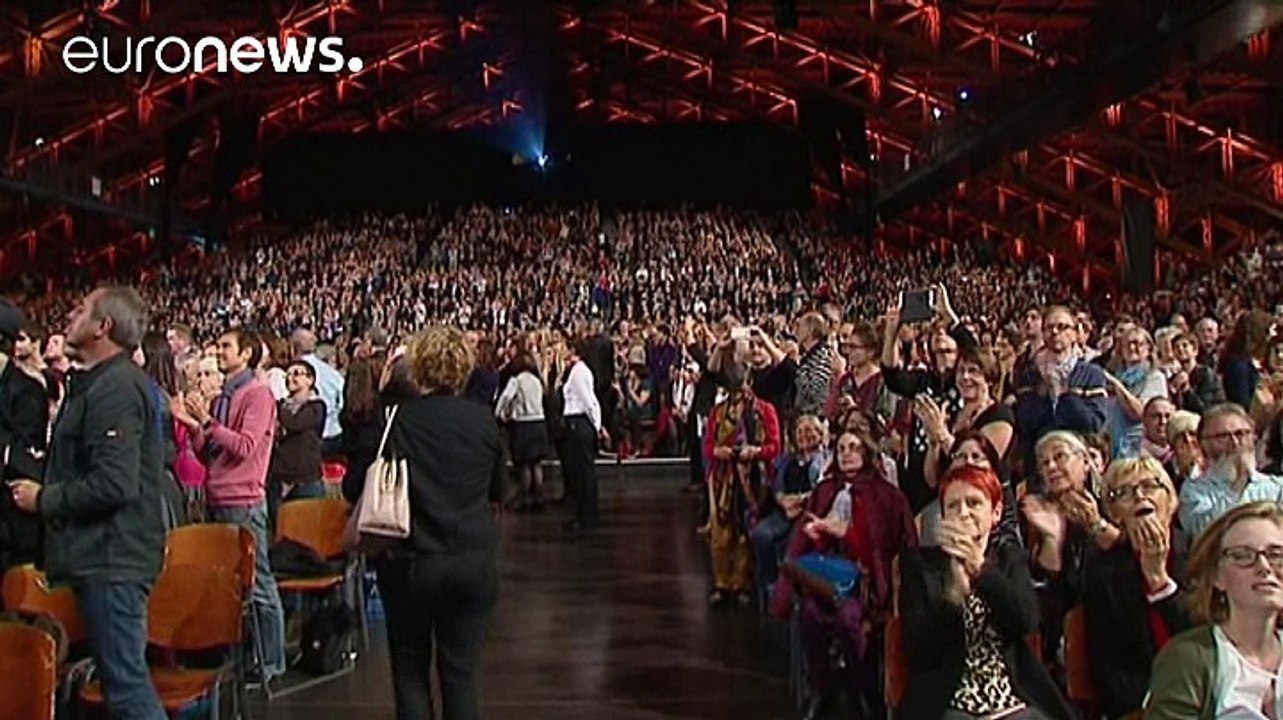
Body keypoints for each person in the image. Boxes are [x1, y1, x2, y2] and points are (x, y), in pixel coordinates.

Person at [8, 286, 167, 720]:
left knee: (126, 686)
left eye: (82, 310)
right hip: (102, 557)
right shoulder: (97, 384)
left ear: (103, 327)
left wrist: (45, 498)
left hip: (113, 559)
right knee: (121, 682)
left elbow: (115, 483)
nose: (70, 314)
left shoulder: (116, 388)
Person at [360, 325, 502, 720]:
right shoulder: (483, 420)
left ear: (417, 367)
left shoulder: (397, 419)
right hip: (471, 562)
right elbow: (499, 492)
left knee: (410, 672)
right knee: (461, 676)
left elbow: (358, 484)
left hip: (411, 563)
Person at [898, 465, 1072, 720]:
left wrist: (980, 571)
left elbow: (1026, 620)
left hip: (1013, 698)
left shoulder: (1009, 560)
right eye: (954, 506)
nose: (964, 513)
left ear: (996, 513)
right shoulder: (921, 567)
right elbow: (919, 647)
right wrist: (955, 590)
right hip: (948, 702)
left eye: (973, 503)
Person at [172, 327, 286, 682]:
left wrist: (206, 421)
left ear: (247, 353)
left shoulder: (258, 395)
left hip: (244, 500)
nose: (218, 351)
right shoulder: (224, 396)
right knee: (230, 587)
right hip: (217, 496)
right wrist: (195, 428)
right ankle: (244, 659)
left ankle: (271, 662)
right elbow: (212, 452)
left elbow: (245, 447)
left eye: (226, 347)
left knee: (260, 584)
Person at [1146, 502, 1283, 718]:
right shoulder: (1187, 658)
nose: (1265, 567)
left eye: (1277, 554)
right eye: (1243, 555)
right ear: (1217, 576)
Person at [1083, 457, 1193, 719]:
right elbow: (1108, 664)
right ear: (1115, 512)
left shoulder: (1201, 554)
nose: (1139, 496)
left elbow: (1207, 637)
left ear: (1170, 499)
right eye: (1124, 492)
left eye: (1149, 486)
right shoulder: (1103, 572)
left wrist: (1159, 582)